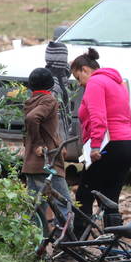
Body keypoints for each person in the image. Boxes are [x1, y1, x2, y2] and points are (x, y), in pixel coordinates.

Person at [71, 47, 131, 231]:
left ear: (85, 69)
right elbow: (128, 116)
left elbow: (98, 117)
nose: (80, 83)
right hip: (127, 144)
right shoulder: (118, 82)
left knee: (85, 194)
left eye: (78, 77)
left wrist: (95, 147)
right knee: (110, 197)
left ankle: (78, 243)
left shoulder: (96, 82)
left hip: (108, 145)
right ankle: (112, 246)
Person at [22, 67, 74, 235]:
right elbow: (32, 119)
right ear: (51, 85)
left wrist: (57, 143)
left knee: (36, 208)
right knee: (64, 204)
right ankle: (67, 245)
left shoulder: (31, 101)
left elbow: (42, 126)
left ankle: (35, 245)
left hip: (31, 164)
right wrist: (40, 144)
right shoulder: (49, 100)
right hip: (48, 163)